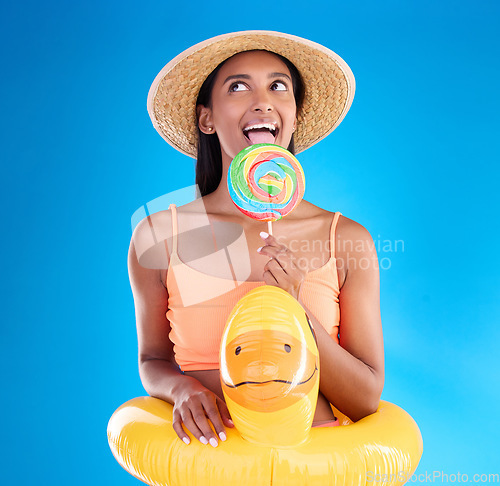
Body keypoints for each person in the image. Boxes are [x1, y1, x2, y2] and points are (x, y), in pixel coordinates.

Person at [128, 31, 384, 449]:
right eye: (238, 86)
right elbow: (153, 360)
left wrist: (297, 308)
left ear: (294, 115)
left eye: (278, 85)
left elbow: (365, 399)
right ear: (206, 118)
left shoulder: (348, 240)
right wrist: (181, 390)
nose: (263, 100)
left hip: (312, 468)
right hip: (208, 467)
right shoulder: (159, 235)